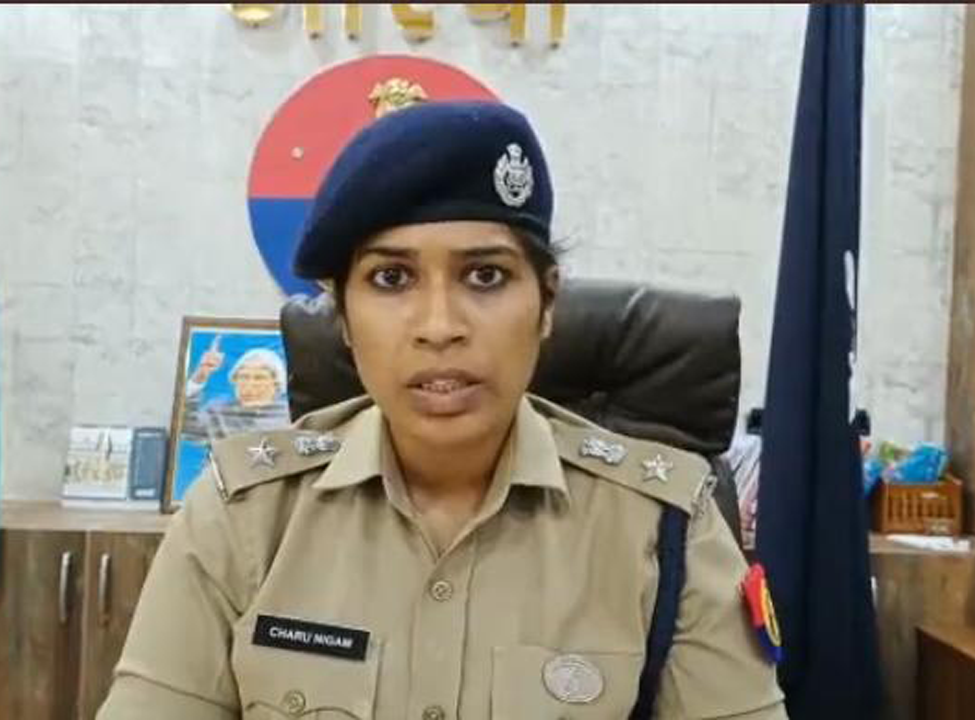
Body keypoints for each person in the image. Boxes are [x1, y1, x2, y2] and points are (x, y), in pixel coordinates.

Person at [99, 101, 786, 719]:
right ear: (343, 318)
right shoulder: (244, 515)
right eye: (391, 278)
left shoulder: (666, 527)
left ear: (546, 303)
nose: (439, 326)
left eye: (485, 276)